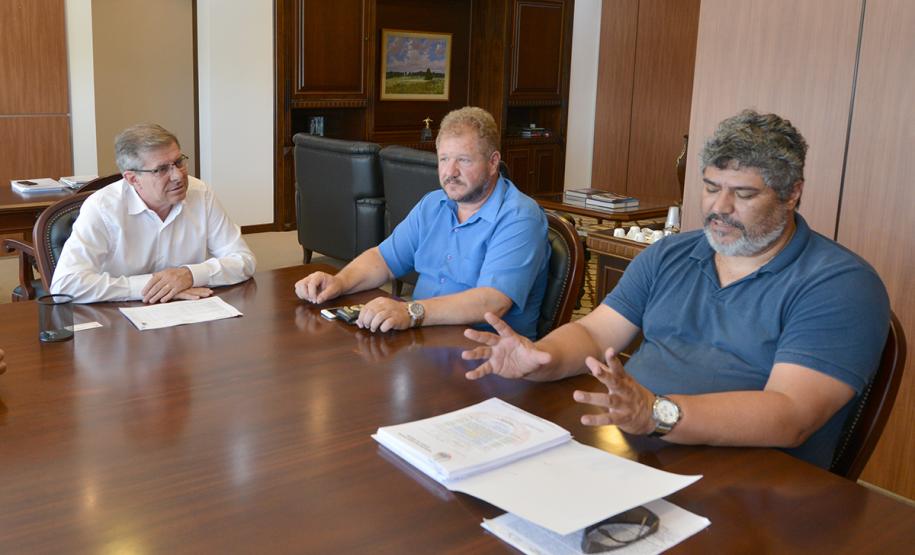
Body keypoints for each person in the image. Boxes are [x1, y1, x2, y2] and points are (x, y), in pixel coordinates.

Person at [462, 110, 890, 468]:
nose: (719, 208)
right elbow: (595, 333)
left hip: (749, 482)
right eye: (710, 188)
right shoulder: (672, 254)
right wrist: (541, 358)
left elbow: (791, 413)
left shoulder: (839, 284)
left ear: (792, 193)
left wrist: (658, 414)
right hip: (636, 450)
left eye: (743, 194)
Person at [295, 107, 549, 339]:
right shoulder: (433, 204)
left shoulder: (520, 217)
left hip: (487, 356)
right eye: (444, 159)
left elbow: (492, 302)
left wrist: (412, 311)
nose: (450, 172)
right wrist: (339, 282)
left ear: (493, 162)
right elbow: (383, 259)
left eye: (464, 160)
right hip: (423, 339)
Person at [51, 123, 256, 303]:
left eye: (178, 162)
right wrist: (150, 287)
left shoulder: (200, 194)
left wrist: (190, 275)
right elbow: (65, 284)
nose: (177, 176)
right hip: (118, 321)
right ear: (132, 179)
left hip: (190, 315)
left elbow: (244, 261)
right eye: (161, 170)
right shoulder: (102, 207)